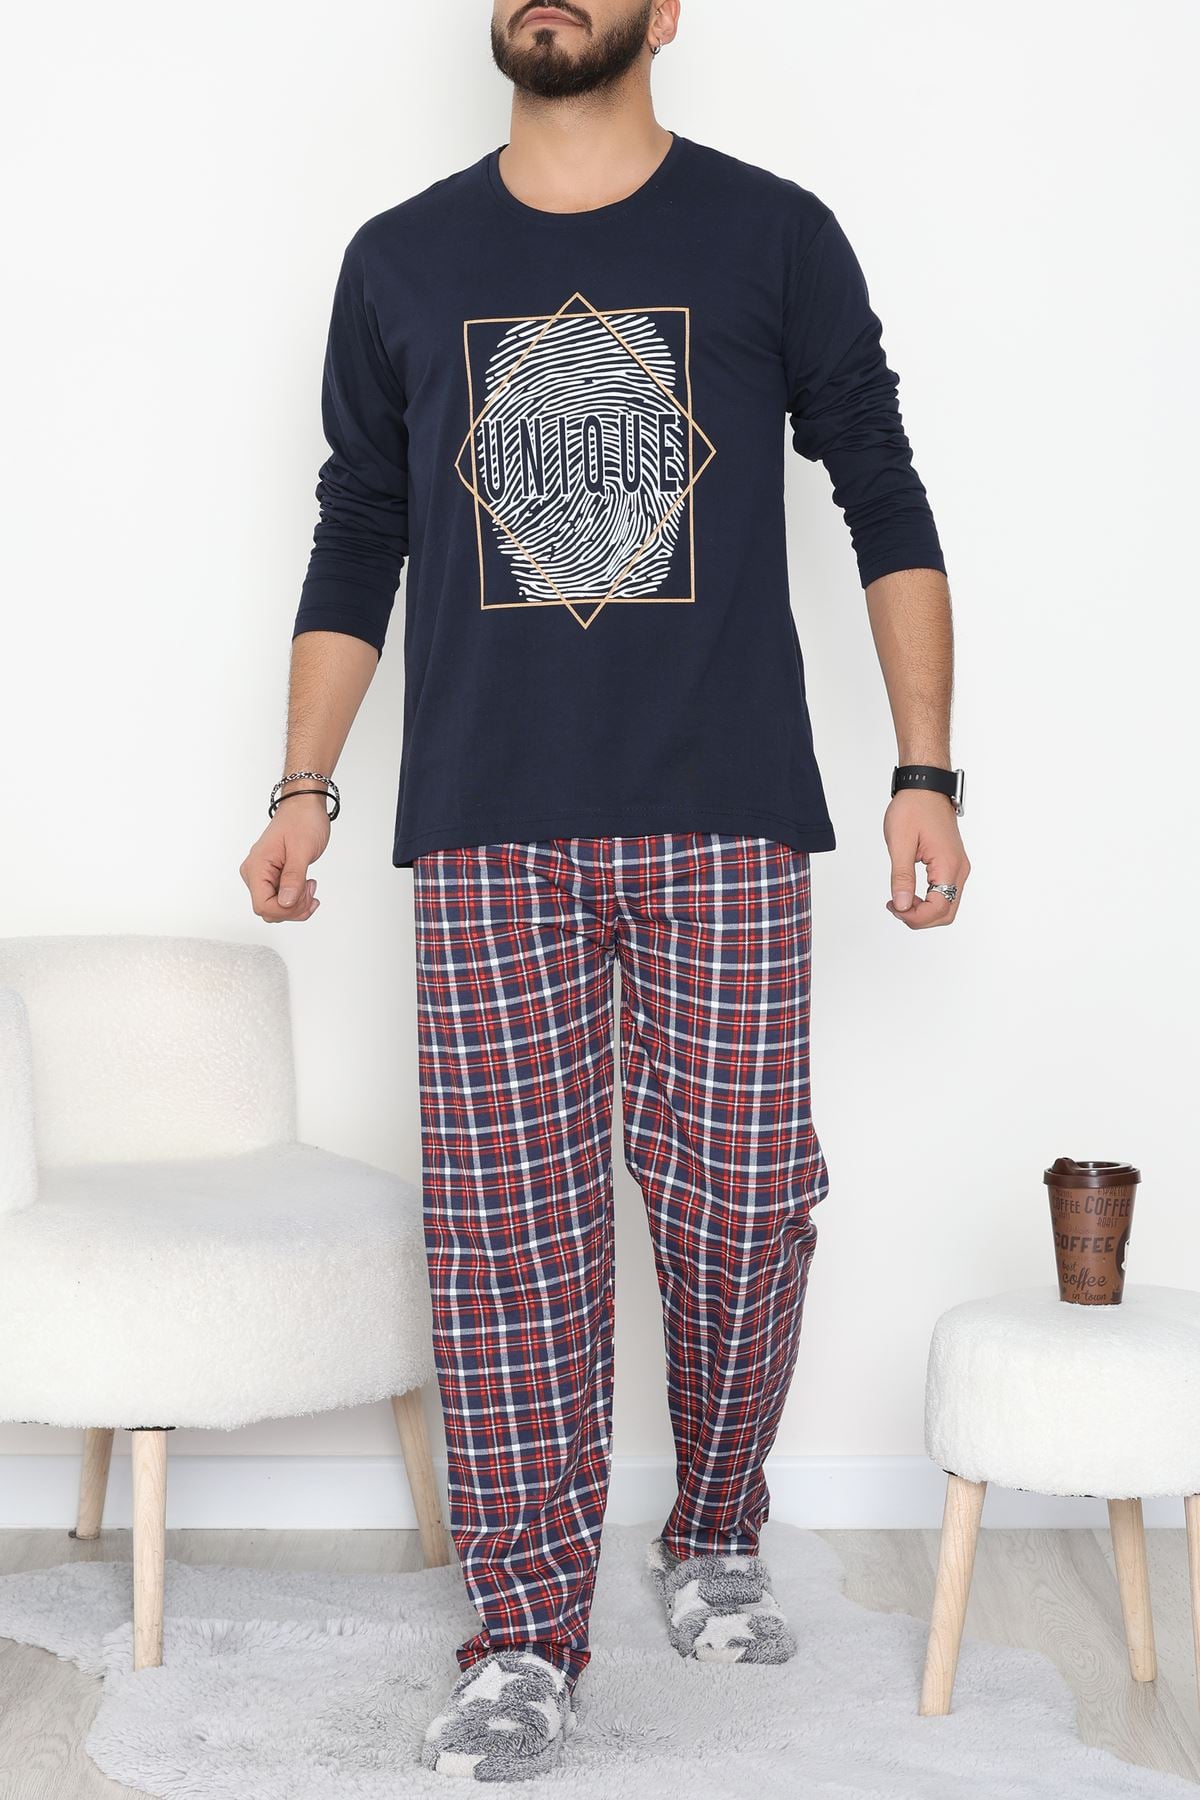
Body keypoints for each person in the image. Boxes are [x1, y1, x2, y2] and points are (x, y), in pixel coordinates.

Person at [240, 0, 970, 1779]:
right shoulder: (402, 259)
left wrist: (926, 772)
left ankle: (713, 1525)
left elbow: (880, 491)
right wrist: (303, 785)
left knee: (741, 1202)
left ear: (668, 14)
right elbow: (359, 525)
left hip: (728, 810)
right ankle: (521, 1632)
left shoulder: (770, 232)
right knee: (510, 1237)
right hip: (485, 821)